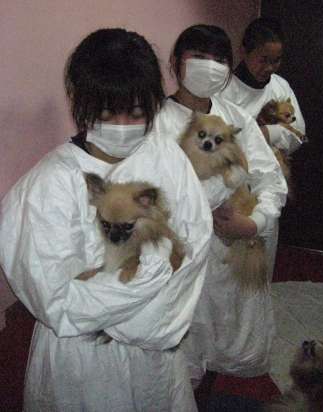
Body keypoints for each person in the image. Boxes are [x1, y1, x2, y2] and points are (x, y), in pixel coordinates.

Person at [0, 28, 212, 412]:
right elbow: (57, 300)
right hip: (83, 361)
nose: (123, 124)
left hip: (156, 358)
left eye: (137, 112)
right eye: (107, 112)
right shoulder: (50, 183)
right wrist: (151, 283)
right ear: (83, 104)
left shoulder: (164, 154)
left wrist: (146, 324)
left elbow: (196, 240)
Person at [154, 25, 287, 383]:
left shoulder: (237, 119)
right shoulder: (155, 122)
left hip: (230, 253)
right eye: (199, 56)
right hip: (175, 260)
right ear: (175, 62)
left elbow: (271, 180)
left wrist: (255, 222)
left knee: (223, 339)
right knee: (179, 358)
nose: (210, 66)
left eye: (219, 59)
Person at [221, 17, 306, 155]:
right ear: (243, 51)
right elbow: (222, 144)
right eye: (263, 60)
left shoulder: (280, 85)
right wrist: (272, 133)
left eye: (276, 60)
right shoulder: (223, 88)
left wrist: (263, 134)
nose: (269, 68)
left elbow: (298, 135)